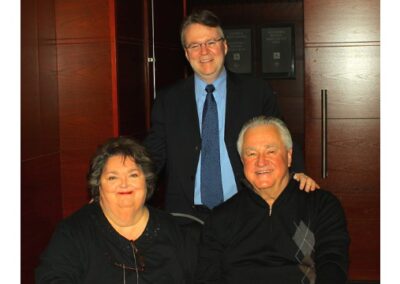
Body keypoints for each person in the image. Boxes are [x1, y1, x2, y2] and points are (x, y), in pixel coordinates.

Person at [144, 10, 318, 221]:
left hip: (245, 211)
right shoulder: (167, 100)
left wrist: (297, 171)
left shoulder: (256, 92)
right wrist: (120, 187)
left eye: (211, 42)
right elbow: (153, 156)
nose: (204, 51)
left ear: (225, 46)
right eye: (195, 45)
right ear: (187, 53)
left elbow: (281, 137)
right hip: (185, 217)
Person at [195, 116, 350, 284]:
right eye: (251, 153)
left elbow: (333, 265)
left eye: (271, 151)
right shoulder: (220, 218)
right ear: (242, 161)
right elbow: (207, 277)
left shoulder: (321, 206)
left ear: (289, 156)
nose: (261, 162)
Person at [36, 137, 194, 283]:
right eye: (113, 177)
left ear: (147, 182)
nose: (124, 184)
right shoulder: (73, 233)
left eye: (133, 175)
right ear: (98, 185)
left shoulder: (174, 230)